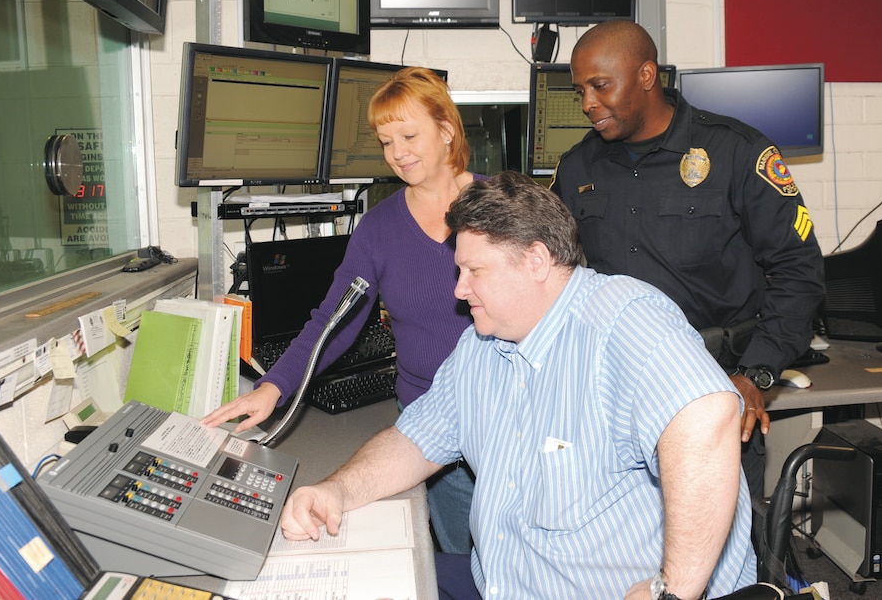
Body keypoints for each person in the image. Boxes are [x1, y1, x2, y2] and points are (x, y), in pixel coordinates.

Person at [281, 171, 756, 599]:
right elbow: (413, 441)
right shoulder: (481, 347)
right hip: (506, 580)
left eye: (475, 271)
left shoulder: (620, 316)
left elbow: (707, 414)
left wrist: (671, 591)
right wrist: (337, 491)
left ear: (535, 261)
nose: (459, 289)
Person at [202, 66, 480, 554]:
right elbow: (335, 321)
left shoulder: (501, 205)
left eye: (410, 135)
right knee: (461, 557)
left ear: (446, 130)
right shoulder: (378, 229)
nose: (399, 153)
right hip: (427, 425)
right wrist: (273, 387)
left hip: (506, 415)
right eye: (387, 141)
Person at [550, 19, 825, 497]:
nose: (588, 104)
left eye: (600, 86)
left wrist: (756, 372)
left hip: (713, 382)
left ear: (646, 75)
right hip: (612, 392)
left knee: (724, 551)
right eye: (580, 92)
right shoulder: (578, 166)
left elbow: (798, 272)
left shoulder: (738, 152)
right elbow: (551, 271)